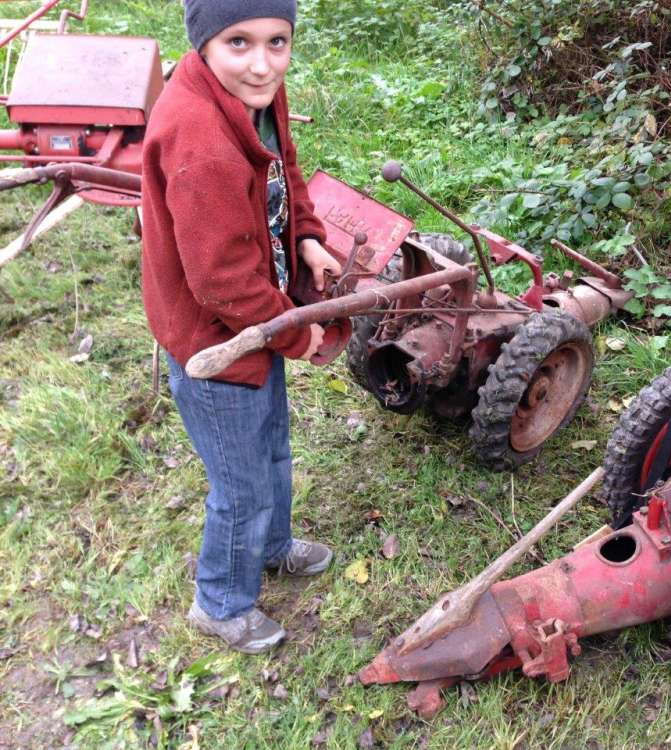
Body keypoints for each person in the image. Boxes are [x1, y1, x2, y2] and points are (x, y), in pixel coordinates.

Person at [141, 0, 341, 653]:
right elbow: (220, 282)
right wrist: (296, 333)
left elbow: (286, 166)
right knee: (241, 482)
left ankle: (273, 545)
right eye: (239, 43)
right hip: (217, 340)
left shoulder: (256, 94)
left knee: (272, 443)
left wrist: (306, 237)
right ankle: (220, 603)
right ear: (203, 43)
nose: (262, 64)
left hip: (259, 317)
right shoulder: (199, 141)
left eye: (277, 41)